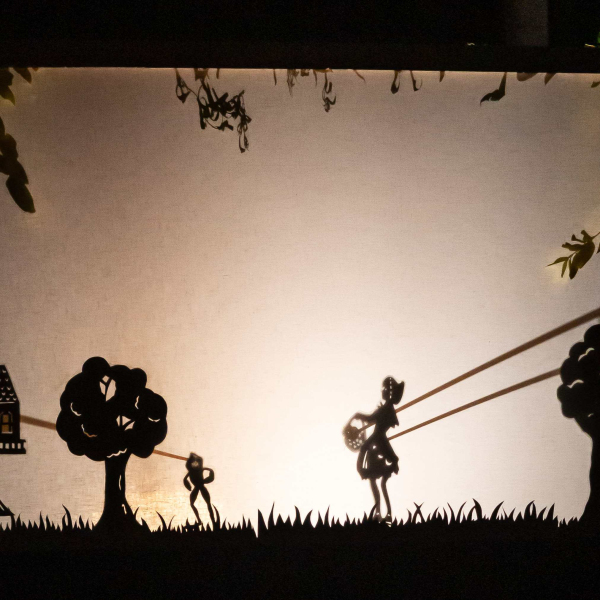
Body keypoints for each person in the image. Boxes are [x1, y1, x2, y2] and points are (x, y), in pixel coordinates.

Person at [351, 377, 404, 522]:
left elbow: (370, 419)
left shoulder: (386, 409)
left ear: (389, 392)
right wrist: (358, 416)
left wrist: (358, 415)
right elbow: (370, 419)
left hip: (379, 443)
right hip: (376, 444)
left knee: (380, 482)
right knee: (376, 481)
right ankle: (379, 512)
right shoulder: (385, 409)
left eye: (385, 389)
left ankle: (385, 513)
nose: (383, 391)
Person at [183, 453, 216, 527]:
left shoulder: (200, 469)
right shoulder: (191, 471)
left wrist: (194, 456)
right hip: (196, 487)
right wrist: (188, 486)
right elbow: (185, 479)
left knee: (208, 504)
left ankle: (213, 522)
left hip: (201, 486)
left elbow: (210, 470)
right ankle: (199, 521)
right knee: (192, 504)